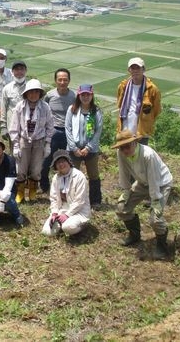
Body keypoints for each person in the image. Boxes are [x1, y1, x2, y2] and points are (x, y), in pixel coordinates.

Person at [112, 129, 173, 260]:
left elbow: (154, 178)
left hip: (161, 183)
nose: (125, 150)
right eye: (122, 148)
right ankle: (134, 235)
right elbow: (123, 172)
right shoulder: (121, 154)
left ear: (135, 142)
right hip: (142, 182)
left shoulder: (148, 155)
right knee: (122, 208)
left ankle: (162, 244)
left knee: (155, 219)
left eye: (127, 146)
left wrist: (155, 200)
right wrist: (126, 190)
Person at [9, 79, 54, 203]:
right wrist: (16, 145)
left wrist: (48, 144)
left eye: (36, 92)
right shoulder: (20, 106)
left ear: (40, 93)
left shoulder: (45, 107)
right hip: (24, 140)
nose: (33, 94)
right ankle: (20, 192)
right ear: (26, 93)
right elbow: (14, 127)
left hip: (39, 141)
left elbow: (50, 126)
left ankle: (33, 192)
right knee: (21, 168)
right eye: (31, 92)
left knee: (36, 168)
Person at [65, 84, 104, 207]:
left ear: (92, 95)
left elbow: (98, 131)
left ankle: (95, 201)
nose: (85, 97)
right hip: (74, 149)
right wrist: (74, 147)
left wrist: (88, 147)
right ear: (79, 95)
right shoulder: (72, 109)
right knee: (72, 175)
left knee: (93, 175)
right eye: (83, 95)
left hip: (91, 150)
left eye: (88, 95)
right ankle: (73, 199)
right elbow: (68, 129)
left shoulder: (96, 111)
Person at [41, 150, 91, 237]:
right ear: (55, 166)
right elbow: (53, 198)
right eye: (58, 163)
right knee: (47, 232)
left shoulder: (79, 176)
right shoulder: (56, 178)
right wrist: (54, 213)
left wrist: (67, 215)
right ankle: (63, 223)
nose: (61, 164)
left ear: (69, 162)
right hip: (62, 210)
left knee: (67, 227)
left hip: (79, 211)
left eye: (63, 161)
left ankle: (82, 225)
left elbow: (79, 201)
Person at [41, 68, 75, 193]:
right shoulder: (49, 95)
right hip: (53, 131)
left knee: (69, 160)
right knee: (47, 160)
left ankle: (68, 186)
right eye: (60, 80)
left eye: (65, 80)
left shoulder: (73, 96)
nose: (62, 82)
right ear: (55, 81)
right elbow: (43, 111)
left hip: (68, 132)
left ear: (69, 81)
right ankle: (44, 186)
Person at [117, 57, 161, 145]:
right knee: (125, 156)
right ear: (129, 70)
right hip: (125, 131)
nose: (135, 71)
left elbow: (156, 110)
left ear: (143, 69)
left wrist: (147, 121)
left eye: (138, 68)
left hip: (142, 133)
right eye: (133, 68)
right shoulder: (123, 86)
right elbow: (119, 104)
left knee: (141, 157)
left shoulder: (152, 89)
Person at [0, 60, 28, 146]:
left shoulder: (31, 87)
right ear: (12, 72)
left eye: (22, 69)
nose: (19, 72)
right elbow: (3, 108)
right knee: (14, 153)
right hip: (12, 127)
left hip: (28, 128)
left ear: (26, 71)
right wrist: (3, 127)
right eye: (16, 69)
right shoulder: (7, 89)